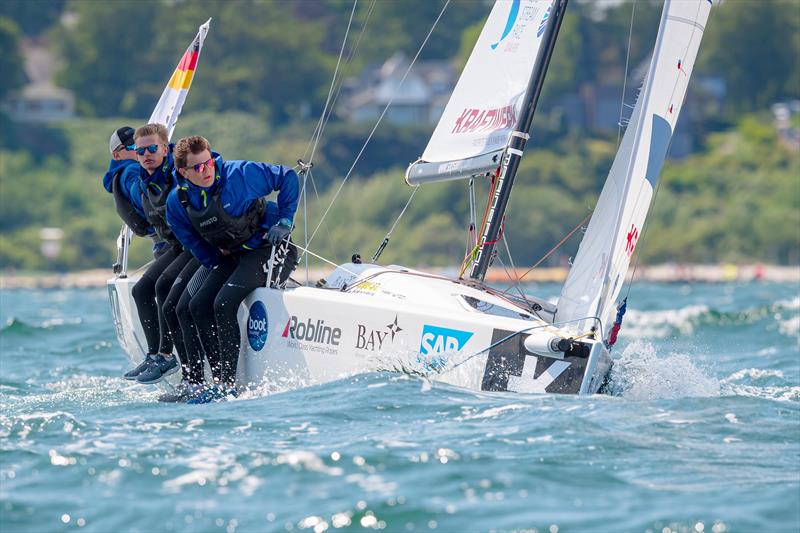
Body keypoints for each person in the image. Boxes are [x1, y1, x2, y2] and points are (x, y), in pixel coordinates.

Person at [166, 135, 299, 403]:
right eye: (198, 168)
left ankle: (227, 384)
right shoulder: (177, 202)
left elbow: (288, 177)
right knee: (197, 304)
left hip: (270, 250)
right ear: (183, 171)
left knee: (224, 303)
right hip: (232, 255)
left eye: (209, 163)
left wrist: (285, 220)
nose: (207, 170)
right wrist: (215, 259)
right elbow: (190, 239)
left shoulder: (239, 174)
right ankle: (211, 380)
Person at [122, 123, 196, 386]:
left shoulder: (179, 171)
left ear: (165, 148)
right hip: (175, 244)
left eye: (153, 148)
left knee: (164, 286)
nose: (146, 154)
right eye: (139, 151)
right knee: (140, 290)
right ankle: (155, 355)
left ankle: (167, 355)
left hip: (197, 243)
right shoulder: (144, 177)